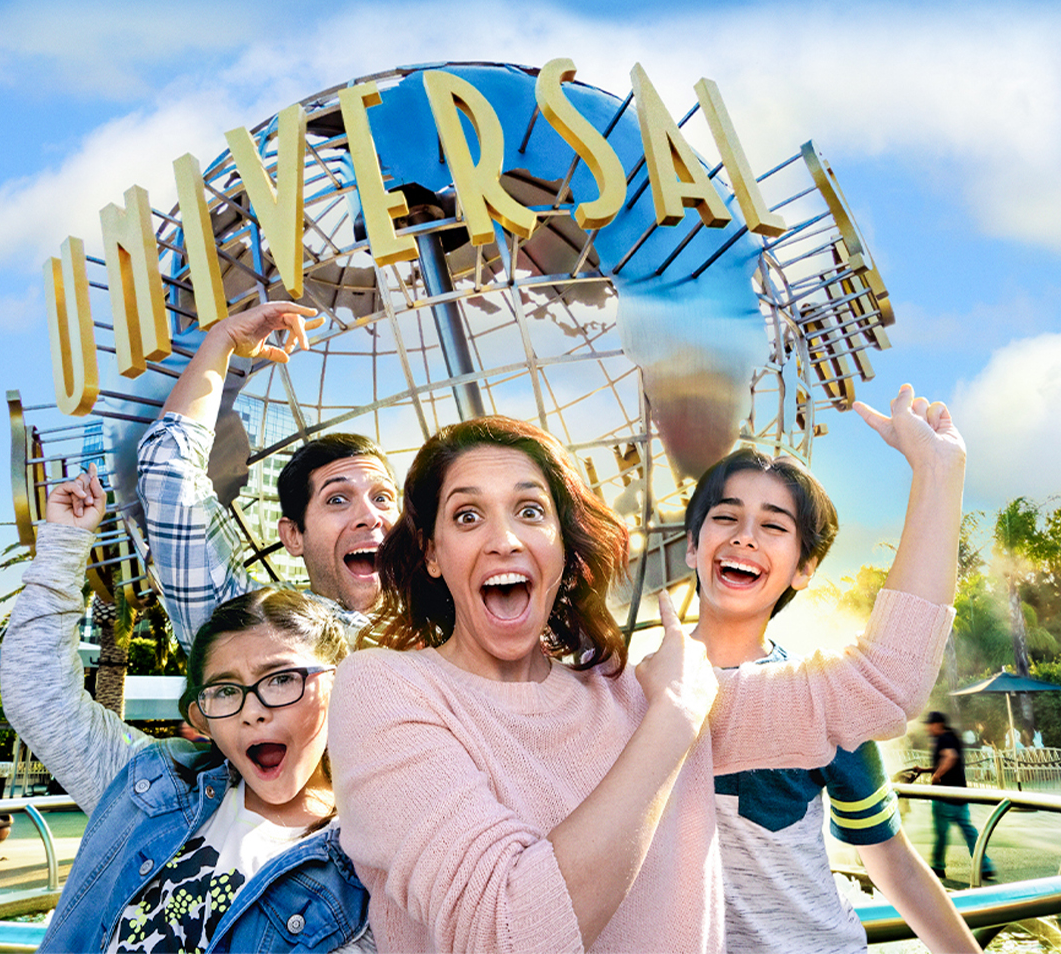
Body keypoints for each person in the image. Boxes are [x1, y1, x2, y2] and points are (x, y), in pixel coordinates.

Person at [328, 383, 965, 953]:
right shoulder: (385, 689)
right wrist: (675, 720)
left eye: (530, 512)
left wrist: (938, 476)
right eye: (468, 516)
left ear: (563, 550)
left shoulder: (630, 688)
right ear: (434, 553)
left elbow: (884, 686)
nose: (506, 539)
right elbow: (511, 933)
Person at [2, 464, 367, 953]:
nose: (252, 712)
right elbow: (38, 696)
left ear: (342, 687)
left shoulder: (370, 855)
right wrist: (64, 544)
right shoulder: (152, 788)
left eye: (281, 679)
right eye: (224, 690)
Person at [685, 448, 976, 953]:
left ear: (805, 567)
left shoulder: (823, 699)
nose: (744, 535)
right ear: (691, 546)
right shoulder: (627, 693)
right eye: (726, 517)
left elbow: (891, 861)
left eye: (774, 527)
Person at [137, 301, 400, 650]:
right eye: (337, 499)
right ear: (293, 535)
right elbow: (167, 469)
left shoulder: (462, 620)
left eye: (382, 498)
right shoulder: (262, 634)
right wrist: (222, 340)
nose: (370, 517)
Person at [924, 712, 996, 881]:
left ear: (938, 724)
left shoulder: (943, 739)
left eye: (930, 724)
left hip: (945, 796)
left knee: (941, 833)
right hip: (960, 795)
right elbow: (948, 760)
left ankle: (937, 866)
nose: (928, 728)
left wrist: (936, 776)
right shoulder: (953, 737)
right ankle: (984, 865)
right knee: (969, 831)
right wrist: (925, 770)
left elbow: (950, 757)